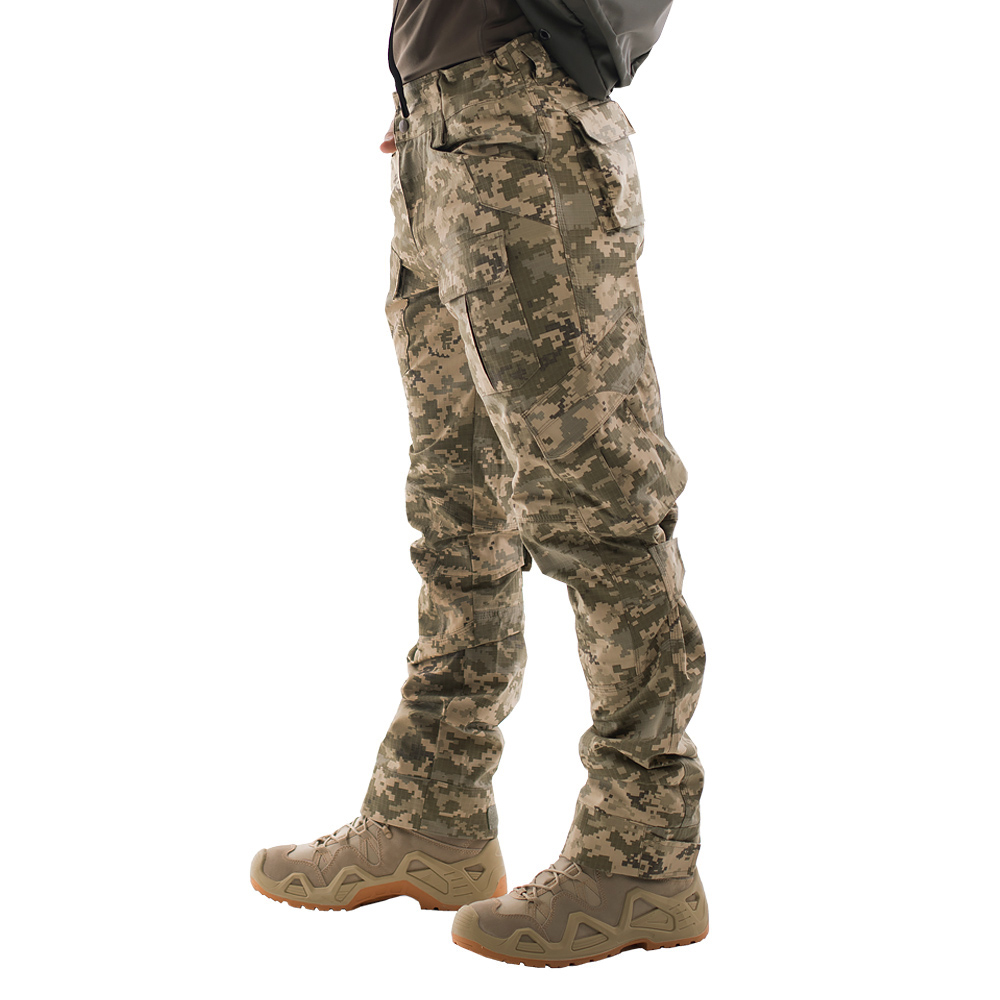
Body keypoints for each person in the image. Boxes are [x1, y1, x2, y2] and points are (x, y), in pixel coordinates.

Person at [250, 0, 708, 967]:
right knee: (456, 508)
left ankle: (642, 854)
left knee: (598, 506)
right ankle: (433, 810)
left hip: (522, 136)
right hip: (439, 134)